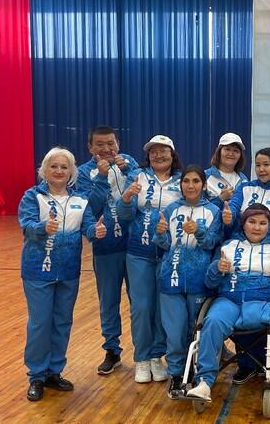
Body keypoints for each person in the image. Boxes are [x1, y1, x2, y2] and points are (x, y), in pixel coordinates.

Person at [186, 204, 270, 402]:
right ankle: (204, 382)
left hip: (262, 300)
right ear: (243, 224)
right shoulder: (228, 246)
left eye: (262, 223)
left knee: (252, 317)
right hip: (229, 299)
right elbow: (209, 282)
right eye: (252, 222)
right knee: (212, 321)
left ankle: (251, 363)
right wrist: (217, 269)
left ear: (268, 226)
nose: (257, 227)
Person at [18, 147, 107, 401]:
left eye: (64, 167)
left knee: (62, 322)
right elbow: (26, 225)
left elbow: (88, 227)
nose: (59, 171)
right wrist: (42, 227)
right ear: (44, 170)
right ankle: (36, 375)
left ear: (72, 172)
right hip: (37, 271)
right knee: (40, 323)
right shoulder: (32, 196)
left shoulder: (81, 199)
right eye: (54, 166)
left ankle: (54, 372)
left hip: (68, 272)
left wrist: (95, 232)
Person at [221, 147, 270, 383]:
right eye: (258, 164)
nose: (262, 169)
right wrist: (228, 217)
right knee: (235, 299)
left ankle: (259, 360)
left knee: (257, 303)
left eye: (267, 164)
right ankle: (246, 363)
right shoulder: (245, 188)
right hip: (241, 245)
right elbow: (233, 210)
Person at [116, 135, 183, 383]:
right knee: (141, 307)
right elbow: (124, 215)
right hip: (139, 252)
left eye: (164, 151)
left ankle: (157, 355)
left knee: (161, 307)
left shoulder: (182, 180)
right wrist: (126, 198)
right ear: (148, 156)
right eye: (154, 152)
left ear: (172, 155)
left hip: (169, 254)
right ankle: (142, 358)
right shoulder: (138, 176)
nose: (159, 155)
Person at [75, 125, 139, 376]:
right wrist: (101, 178)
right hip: (106, 248)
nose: (106, 148)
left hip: (135, 246)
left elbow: (142, 192)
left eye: (110, 143)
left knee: (140, 302)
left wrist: (129, 170)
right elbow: (87, 207)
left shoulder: (129, 162)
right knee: (109, 302)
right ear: (90, 147)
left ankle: (144, 351)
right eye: (99, 144)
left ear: (118, 143)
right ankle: (112, 350)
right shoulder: (84, 172)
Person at [154, 165, 222, 398]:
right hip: (170, 278)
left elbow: (212, 243)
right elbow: (164, 244)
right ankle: (176, 374)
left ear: (203, 185)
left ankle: (196, 372)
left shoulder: (213, 210)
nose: (190, 185)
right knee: (175, 332)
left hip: (199, 280)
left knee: (196, 330)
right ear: (181, 184)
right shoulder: (171, 209)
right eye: (186, 181)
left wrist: (199, 231)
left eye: (196, 181)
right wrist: (160, 233)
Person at [205, 133, 248, 208]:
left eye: (236, 151)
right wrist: (220, 198)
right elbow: (198, 207)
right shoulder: (205, 176)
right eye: (227, 149)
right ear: (219, 152)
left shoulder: (243, 180)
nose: (231, 154)